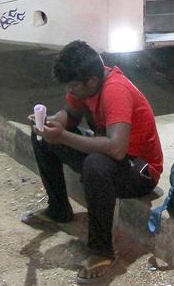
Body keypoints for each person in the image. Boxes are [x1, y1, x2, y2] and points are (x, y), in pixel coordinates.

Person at [26, 40, 163, 283]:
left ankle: (102, 252)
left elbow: (117, 149)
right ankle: (58, 210)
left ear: (91, 81)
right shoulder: (87, 84)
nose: (70, 90)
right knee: (42, 138)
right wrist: (49, 124)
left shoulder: (115, 90)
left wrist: (64, 136)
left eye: (73, 86)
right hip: (111, 154)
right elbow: (69, 115)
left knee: (96, 165)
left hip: (139, 170)